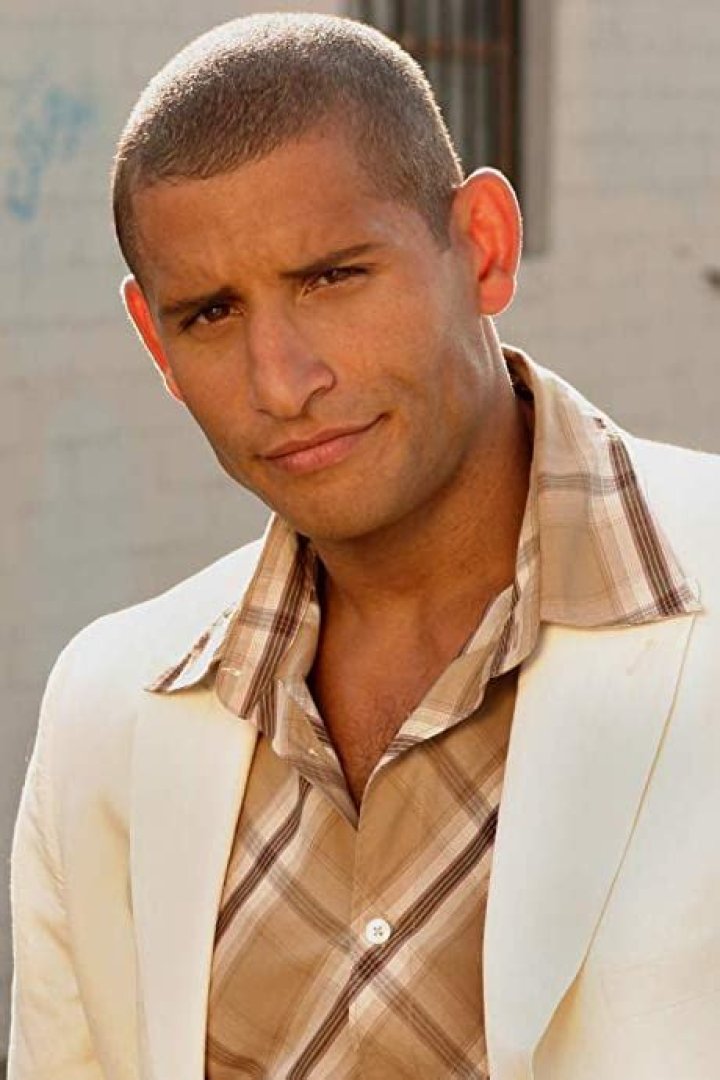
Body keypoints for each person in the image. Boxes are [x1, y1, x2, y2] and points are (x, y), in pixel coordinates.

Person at [8, 12, 720, 1080]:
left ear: (483, 247)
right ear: (155, 342)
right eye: (210, 314)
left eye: (332, 277)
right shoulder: (102, 714)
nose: (282, 382)